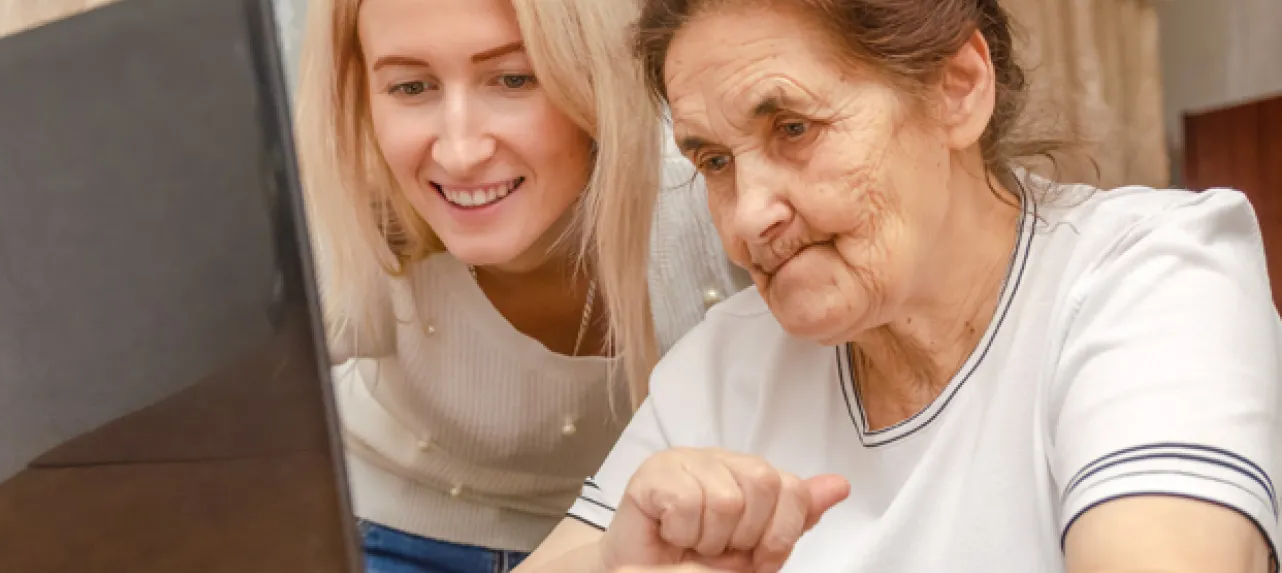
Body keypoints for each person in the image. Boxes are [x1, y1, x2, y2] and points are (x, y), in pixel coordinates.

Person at [514, 0, 1282, 572]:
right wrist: (616, 561)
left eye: (793, 128)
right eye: (714, 161)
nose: (747, 217)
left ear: (958, 87)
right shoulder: (722, 365)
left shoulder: (1152, 275)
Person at [293, 0, 749, 570]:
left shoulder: (709, 187)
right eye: (411, 87)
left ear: (599, 80)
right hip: (388, 529)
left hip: (650, 539)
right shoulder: (346, 208)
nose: (460, 153)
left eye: (513, 79)